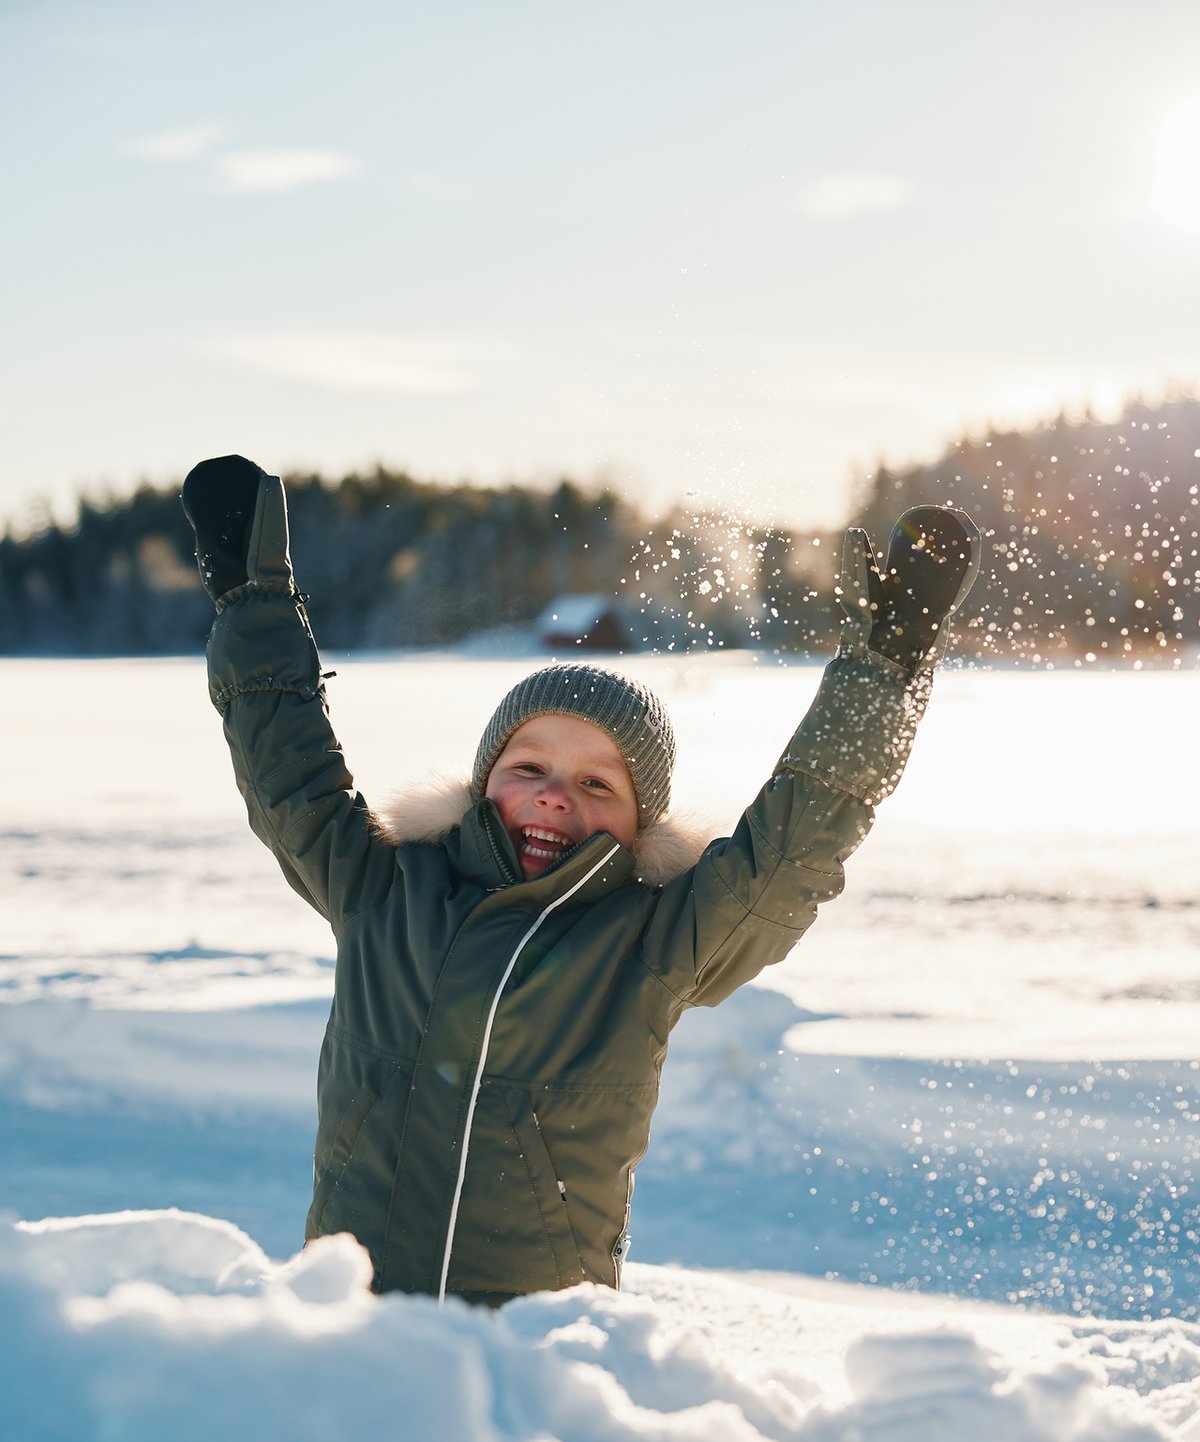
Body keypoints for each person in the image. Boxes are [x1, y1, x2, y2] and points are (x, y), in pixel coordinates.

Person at [182, 456, 981, 1306]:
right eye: (529, 765)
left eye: (599, 784)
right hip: (353, 1330)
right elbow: (287, 766)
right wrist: (252, 601)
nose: (555, 795)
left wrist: (885, 667)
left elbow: (801, 835)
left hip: (531, 1354)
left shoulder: (655, 944)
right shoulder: (383, 887)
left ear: (643, 828)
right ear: (483, 778)